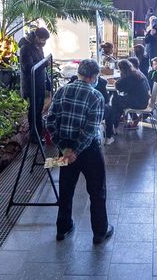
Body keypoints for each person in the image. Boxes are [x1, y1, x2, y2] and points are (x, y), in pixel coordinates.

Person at [46, 59, 114, 244]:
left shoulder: (62, 90)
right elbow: (90, 130)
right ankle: (100, 232)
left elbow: (50, 121)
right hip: (88, 150)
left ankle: (63, 227)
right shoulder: (96, 96)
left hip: (65, 148)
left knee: (66, 189)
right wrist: (75, 151)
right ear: (93, 77)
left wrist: (64, 148)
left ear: (79, 73)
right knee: (97, 190)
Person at [105, 60, 150, 142]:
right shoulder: (135, 73)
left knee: (116, 100)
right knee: (119, 100)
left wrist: (114, 82)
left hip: (139, 102)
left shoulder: (130, 77)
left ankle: (114, 124)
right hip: (142, 100)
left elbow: (120, 87)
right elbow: (124, 87)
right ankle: (117, 122)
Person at [20, 28, 51, 138]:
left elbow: (42, 64)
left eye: (45, 40)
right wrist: (43, 64)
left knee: (39, 110)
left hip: (40, 83)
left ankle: (39, 133)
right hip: (31, 84)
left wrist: (48, 81)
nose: (44, 43)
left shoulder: (38, 47)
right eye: (42, 40)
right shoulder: (25, 48)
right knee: (34, 110)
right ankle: (34, 135)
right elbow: (27, 67)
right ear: (36, 37)